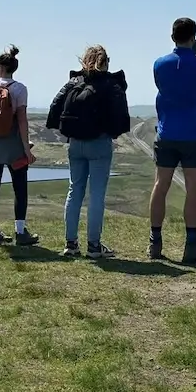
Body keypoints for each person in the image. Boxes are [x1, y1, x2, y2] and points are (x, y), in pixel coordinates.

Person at [46, 45, 132, 259]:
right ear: (106, 61)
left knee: (74, 190)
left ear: (84, 60)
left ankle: (71, 244)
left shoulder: (73, 82)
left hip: (75, 143)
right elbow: (121, 118)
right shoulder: (111, 84)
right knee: (96, 195)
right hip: (99, 143)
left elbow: (54, 108)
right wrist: (113, 132)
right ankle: (94, 246)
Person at [149, 17, 196, 264]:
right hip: (194, 134)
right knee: (194, 190)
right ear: (194, 37)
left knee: (161, 185)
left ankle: (155, 242)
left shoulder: (160, 64)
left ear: (172, 37)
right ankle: (192, 245)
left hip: (167, 132)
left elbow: (163, 86)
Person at [0, 45, 38, 247]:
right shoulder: (20, 89)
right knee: (20, 188)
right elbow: (22, 121)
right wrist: (27, 149)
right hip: (13, 147)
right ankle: (20, 232)